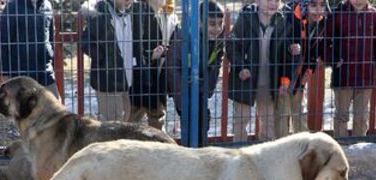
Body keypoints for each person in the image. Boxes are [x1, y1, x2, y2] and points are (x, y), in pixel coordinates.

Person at [228, 0, 301, 142]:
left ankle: (265, 151)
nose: (272, 3)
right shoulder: (246, 17)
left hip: (269, 81)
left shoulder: (283, 20)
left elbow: (287, 53)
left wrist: (292, 50)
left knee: (268, 122)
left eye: (276, 0)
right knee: (241, 119)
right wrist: (241, 67)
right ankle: (238, 149)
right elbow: (232, 45)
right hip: (246, 80)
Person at [81, 0, 155, 122]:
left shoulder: (136, 11)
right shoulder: (100, 13)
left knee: (124, 117)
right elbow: (85, 42)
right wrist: (103, 58)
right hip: (108, 81)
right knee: (112, 123)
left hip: (127, 79)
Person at [323, 0, 376, 138]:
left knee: (361, 117)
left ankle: (358, 144)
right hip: (343, 75)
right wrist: (333, 60)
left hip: (366, 75)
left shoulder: (374, 15)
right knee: (341, 116)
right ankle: (341, 144)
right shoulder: (337, 14)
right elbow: (325, 41)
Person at [166, 0, 226, 145]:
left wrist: (208, 88)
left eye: (220, 24)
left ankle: (199, 149)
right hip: (183, 86)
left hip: (200, 86)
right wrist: (181, 99)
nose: (217, 28)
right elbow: (172, 67)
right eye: (212, 24)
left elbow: (217, 61)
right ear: (199, 22)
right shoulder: (184, 35)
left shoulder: (218, 38)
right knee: (190, 123)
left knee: (203, 121)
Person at [280, 0, 329, 134]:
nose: (318, 10)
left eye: (322, 5)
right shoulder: (289, 18)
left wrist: (309, 70)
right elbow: (279, 46)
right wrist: (289, 48)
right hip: (282, 75)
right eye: (313, 5)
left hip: (300, 76)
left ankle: (302, 144)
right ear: (305, 5)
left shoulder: (322, 23)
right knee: (282, 115)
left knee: (300, 114)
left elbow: (315, 51)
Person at [128, 0, 178, 129]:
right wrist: (150, 55)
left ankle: (158, 140)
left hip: (158, 75)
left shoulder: (169, 16)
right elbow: (133, 45)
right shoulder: (136, 12)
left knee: (157, 117)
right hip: (139, 76)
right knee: (132, 118)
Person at [0, 0, 58, 94]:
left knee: (55, 101)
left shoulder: (47, 5)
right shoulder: (12, 7)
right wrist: (4, 73)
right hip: (20, 72)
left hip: (45, 70)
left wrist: (51, 57)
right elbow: (3, 42)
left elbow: (51, 36)